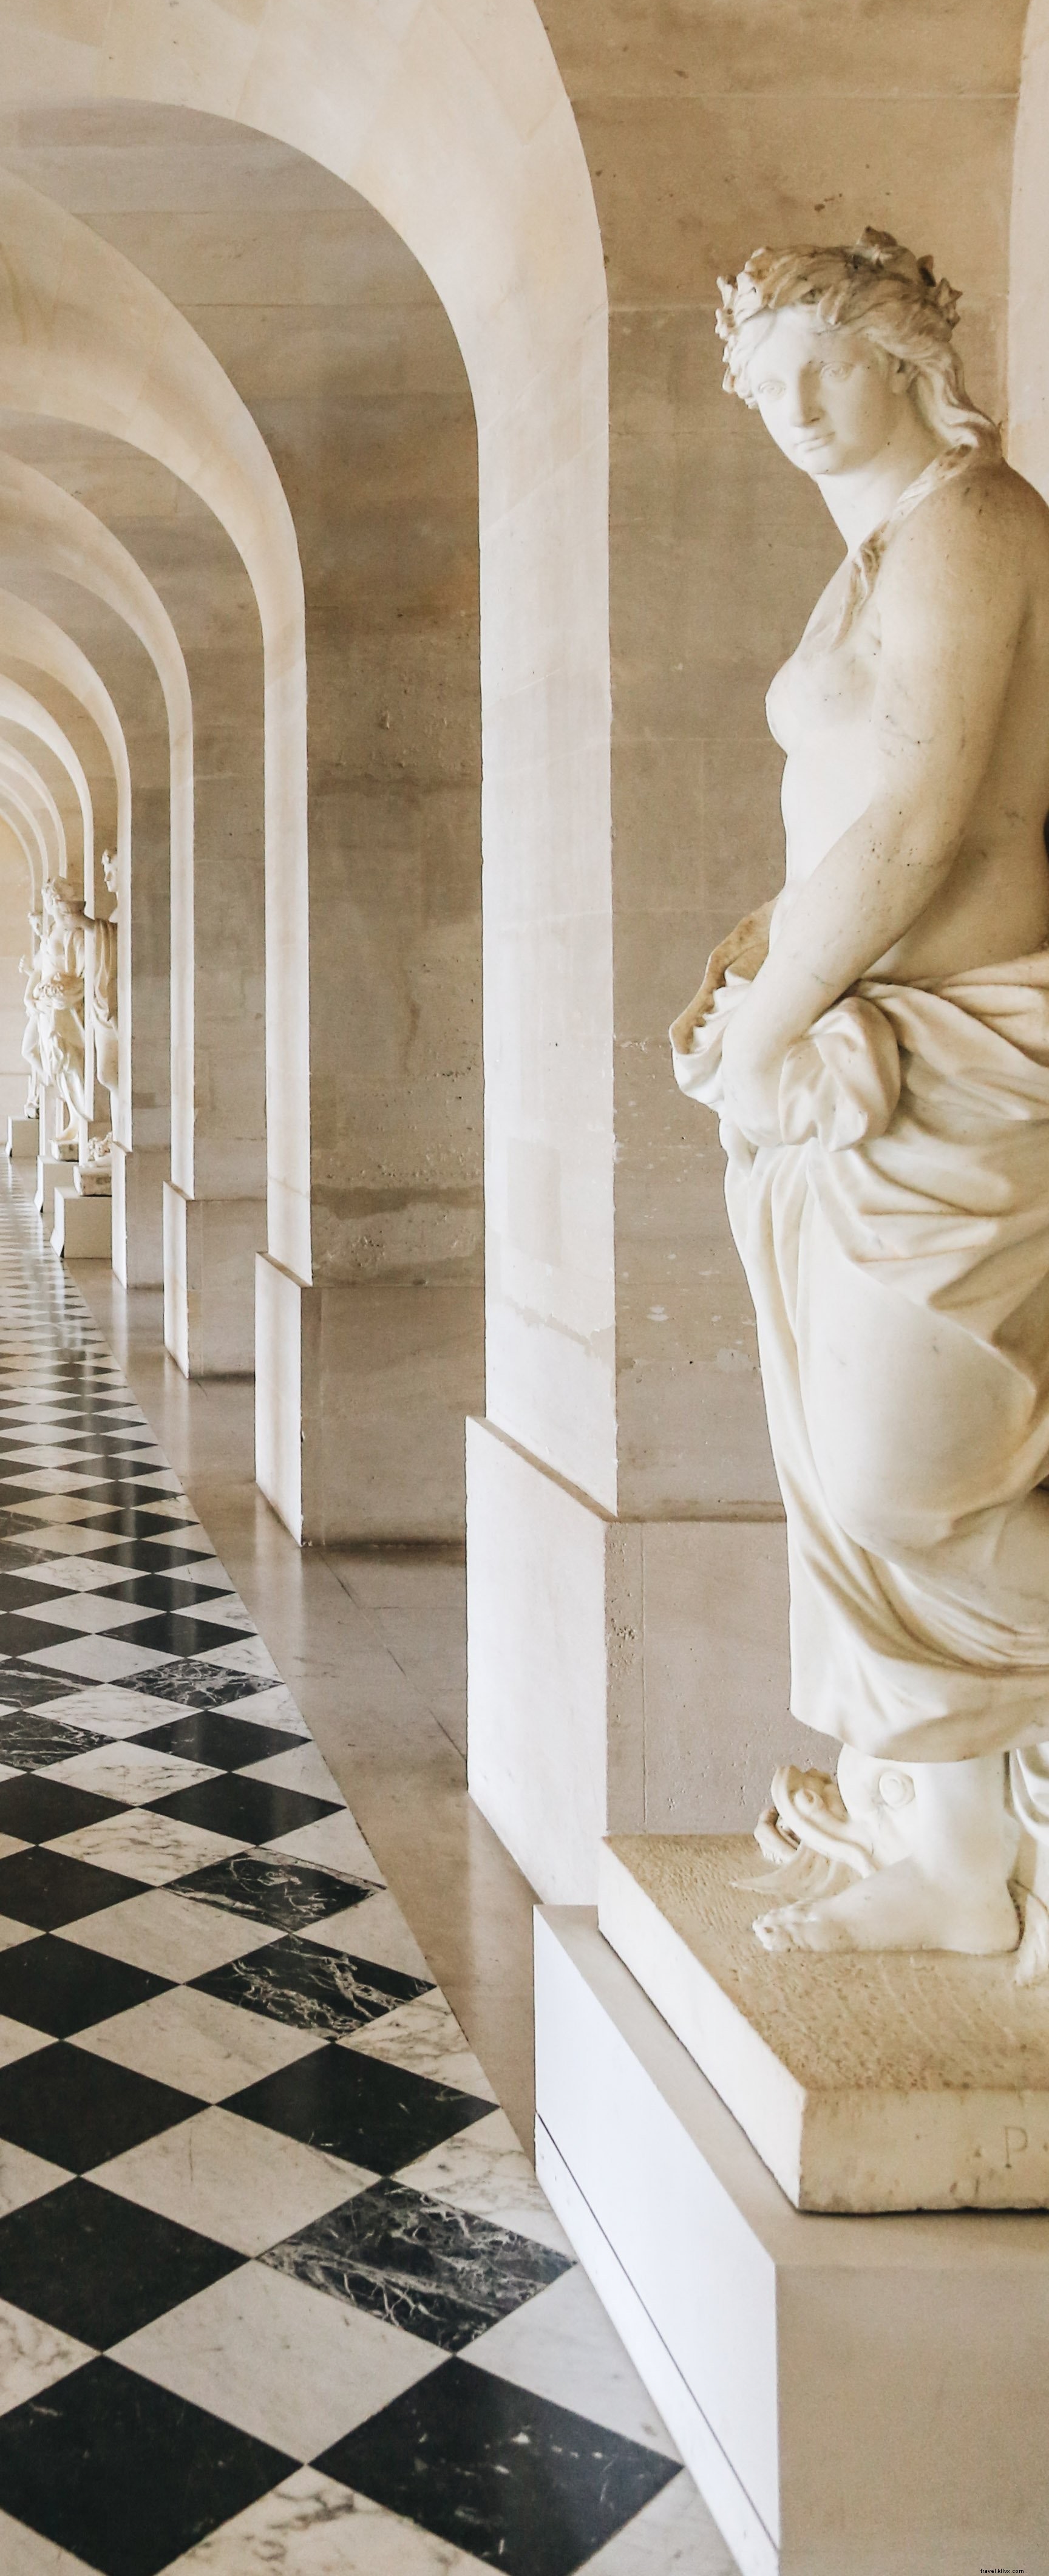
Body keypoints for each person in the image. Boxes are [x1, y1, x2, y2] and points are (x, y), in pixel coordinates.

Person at [673, 226, 1049, 1967]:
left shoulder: (977, 524)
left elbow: (918, 823)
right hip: (856, 1041)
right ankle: (948, 1848)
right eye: (764, 384)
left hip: (960, 1043)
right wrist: (753, 967)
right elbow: (841, 826)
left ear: (906, 350)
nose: (795, 408)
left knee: (911, 1476)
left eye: (825, 362)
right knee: (858, 1477)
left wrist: (769, 1032)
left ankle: (955, 1831)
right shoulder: (873, 558)